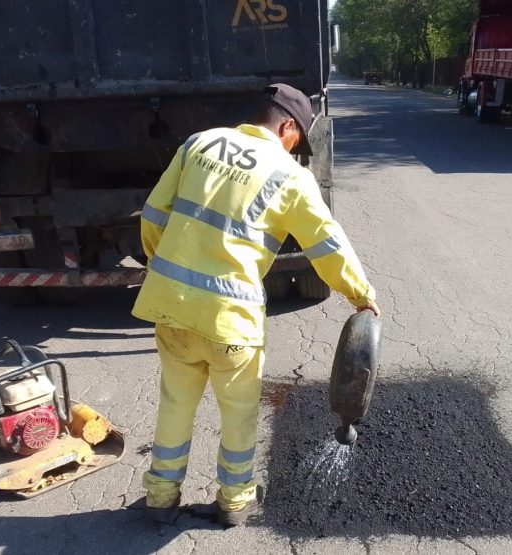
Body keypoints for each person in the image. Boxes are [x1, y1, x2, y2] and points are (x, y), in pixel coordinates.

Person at [132, 83, 380, 527]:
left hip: (170, 307)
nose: (295, 149)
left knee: (175, 404)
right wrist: (361, 295)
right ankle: (234, 502)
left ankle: (160, 499)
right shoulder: (289, 176)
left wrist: (164, 269)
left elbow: (153, 215)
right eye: (296, 140)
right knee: (239, 412)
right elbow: (327, 246)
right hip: (230, 319)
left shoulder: (199, 143)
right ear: (286, 125)